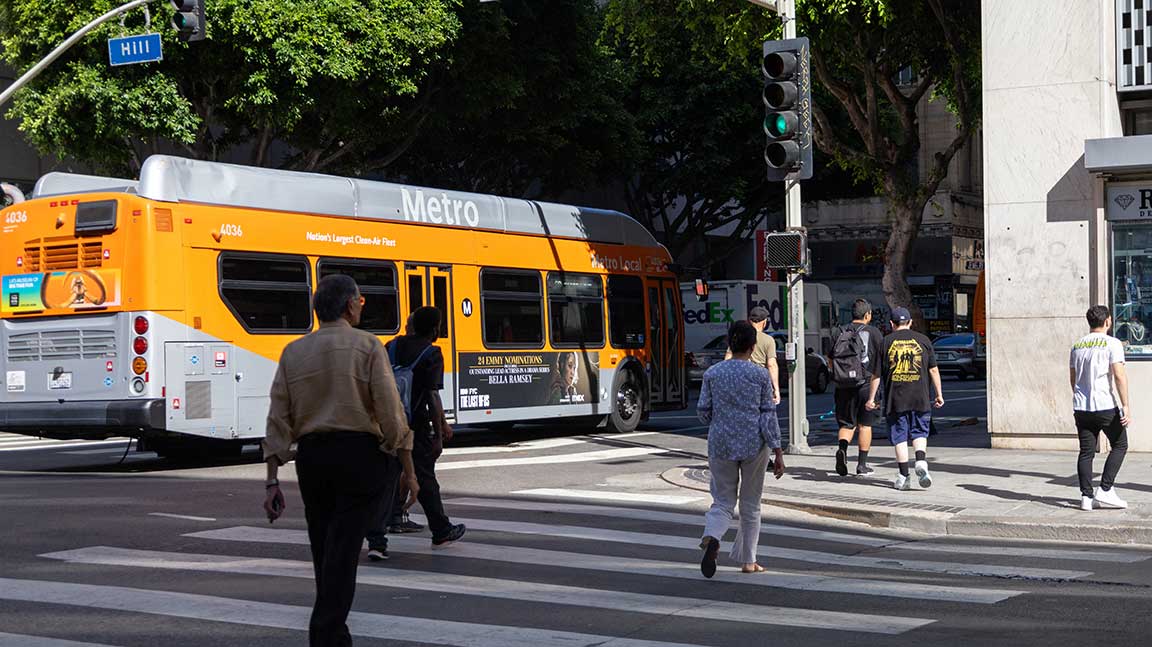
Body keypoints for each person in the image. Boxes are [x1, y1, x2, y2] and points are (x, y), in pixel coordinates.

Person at [262, 274, 417, 647]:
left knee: (325, 549)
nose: (361, 306)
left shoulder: (294, 352)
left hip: (313, 460)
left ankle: (332, 633)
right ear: (350, 305)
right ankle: (326, 633)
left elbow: (278, 419)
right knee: (344, 550)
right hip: (359, 457)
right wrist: (409, 471)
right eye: (361, 301)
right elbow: (391, 412)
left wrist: (271, 481)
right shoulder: (367, 345)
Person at [366, 305, 465, 558]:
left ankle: (377, 538)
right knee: (424, 478)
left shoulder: (392, 346)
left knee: (387, 479)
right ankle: (441, 531)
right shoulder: (432, 353)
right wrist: (440, 433)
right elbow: (432, 396)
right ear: (435, 329)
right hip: (415, 426)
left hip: (388, 422)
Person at [698, 320, 785, 578]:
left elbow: (703, 412)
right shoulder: (759, 375)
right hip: (754, 445)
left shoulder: (712, 373)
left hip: (720, 443)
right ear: (752, 346)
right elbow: (767, 416)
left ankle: (712, 535)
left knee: (723, 500)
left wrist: (721, 419)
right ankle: (749, 560)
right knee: (750, 504)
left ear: (729, 343)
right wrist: (778, 450)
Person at [865, 307, 943, 491]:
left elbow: (876, 375)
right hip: (920, 397)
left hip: (895, 399)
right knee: (920, 432)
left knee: (899, 437)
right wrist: (939, 394)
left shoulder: (885, 343)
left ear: (891, 324)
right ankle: (921, 461)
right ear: (910, 322)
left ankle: (903, 476)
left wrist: (871, 398)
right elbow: (933, 369)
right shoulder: (924, 340)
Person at [1070, 305, 1131, 511]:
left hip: (1081, 407)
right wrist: (1125, 405)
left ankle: (1086, 497)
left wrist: (1079, 396)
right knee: (1120, 444)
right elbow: (1119, 376)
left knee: (1086, 452)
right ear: (1107, 321)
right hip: (1104, 405)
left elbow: (1073, 379)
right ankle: (1105, 489)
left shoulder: (1077, 345)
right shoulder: (1112, 343)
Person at [830, 298, 883, 477]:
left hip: (843, 384)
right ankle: (862, 465)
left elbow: (830, 358)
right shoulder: (874, 332)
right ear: (867, 315)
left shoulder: (838, 331)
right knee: (865, 425)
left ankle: (842, 450)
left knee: (846, 424)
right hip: (866, 384)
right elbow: (880, 361)